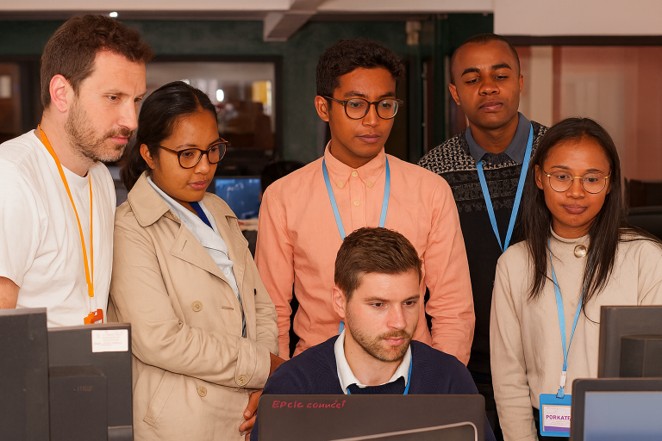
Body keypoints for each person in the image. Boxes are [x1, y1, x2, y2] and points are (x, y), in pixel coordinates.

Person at [256, 38, 474, 364]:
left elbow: (452, 307)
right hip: (317, 374)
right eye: (356, 104)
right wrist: (281, 383)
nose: (373, 120)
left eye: (385, 105)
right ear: (323, 108)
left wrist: (438, 383)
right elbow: (270, 309)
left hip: (409, 374)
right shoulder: (284, 196)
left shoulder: (429, 190)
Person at [109, 81, 283, 441]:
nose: (204, 167)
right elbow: (159, 339)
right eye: (187, 154)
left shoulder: (218, 209)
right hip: (182, 420)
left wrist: (263, 382)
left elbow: (260, 305)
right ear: (149, 154)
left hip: (247, 408)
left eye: (213, 150)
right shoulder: (130, 227)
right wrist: (262, 365)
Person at [490, 117, 662, 441]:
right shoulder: (515, 264)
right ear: (539, 177)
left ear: (610, 183)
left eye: (592, 178)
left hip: (627, 429)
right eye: (562, 176)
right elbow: (508, 377)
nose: (576, 192)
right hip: (544, 431)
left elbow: (655, 372)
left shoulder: (646, 259)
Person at [417, 33, 548, 438]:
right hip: (469, 366)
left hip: (551, 357)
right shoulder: (432, 172)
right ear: (455, 93)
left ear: (520, 83)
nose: (488, 87)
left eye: (500, 76)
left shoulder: (558, 157)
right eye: (473, 79)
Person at [252, 227, 495, 441]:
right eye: (379, 305)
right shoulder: (293, 387)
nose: (399, 322)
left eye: (409, 303)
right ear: (340, 302)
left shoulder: (449, 380)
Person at [0, 15, 152, 326]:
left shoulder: (99, 176)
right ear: (61, 93)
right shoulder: (11, 176)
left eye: (136, 100)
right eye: (113, 97)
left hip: (92, 355)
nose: (131, 121)